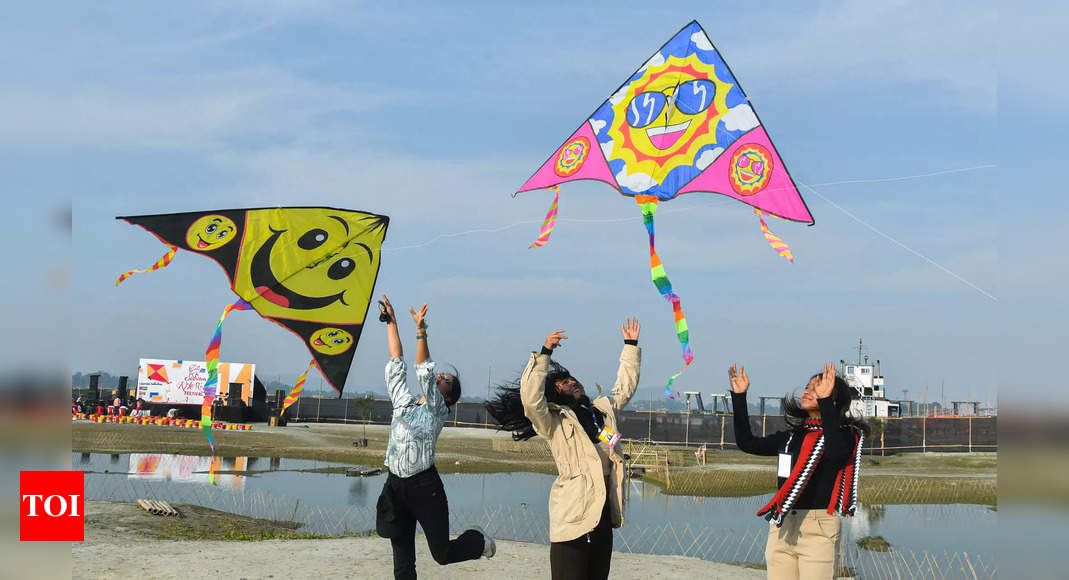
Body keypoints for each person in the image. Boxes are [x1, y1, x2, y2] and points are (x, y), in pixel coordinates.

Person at [485, 319, 641, 580]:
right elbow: (532, 400)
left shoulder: (601, 411)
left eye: (572, 380)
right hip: (571, 518)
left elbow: (624, 388)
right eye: (564, 384)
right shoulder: (553, 421)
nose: (572, 383)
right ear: (555, 395)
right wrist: (545, 352)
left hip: (603, 516)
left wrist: (630, 346)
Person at [374, 294, 494, 580]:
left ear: (449, 397)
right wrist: (391, 322)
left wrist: (421, 332)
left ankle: (479, 542)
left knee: (442, 554)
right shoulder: (404, 401)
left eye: (445, 381)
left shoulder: (438, 411)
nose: (440, 377)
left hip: (424, 487)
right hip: (395, 484)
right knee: (402, 560)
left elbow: (423, 371)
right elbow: (396, 362)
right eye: (441, 376)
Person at [728, 363, 869, 580]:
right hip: (782, 526)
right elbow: (748, 443)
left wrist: (825, 404)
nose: (807, 390)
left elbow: (836, 453)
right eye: (808, 386)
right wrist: (739, 397)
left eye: (817, 387)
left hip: (818, 529)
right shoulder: (792, 437)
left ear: (832, 399)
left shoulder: (844, 436)